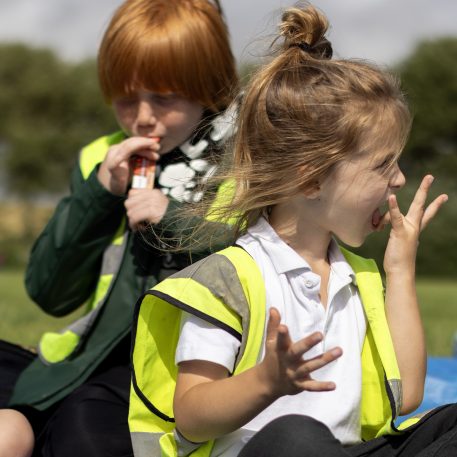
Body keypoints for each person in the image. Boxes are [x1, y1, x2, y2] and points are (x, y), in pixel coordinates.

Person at [128, 3, 456, 457]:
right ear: (311, 179)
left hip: (345, 450)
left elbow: (408, 395)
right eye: (383, 164)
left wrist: (399, 270)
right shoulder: (229, 278)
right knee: (296, 436)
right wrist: (267, 381)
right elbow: (191, 414)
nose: (399, 179)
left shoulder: (356, 275)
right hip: (265, 451)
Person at [1, 0, 238, 456]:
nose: (143, 116)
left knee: (85, 432)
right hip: (86, 357)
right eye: (126, 98)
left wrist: (171, 216)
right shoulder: (101, 157)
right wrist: (99, 195)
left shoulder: (243, 161)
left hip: (184, 372)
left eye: (164, 98)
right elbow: (50, 292)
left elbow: (253, 266)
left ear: (206, 88)